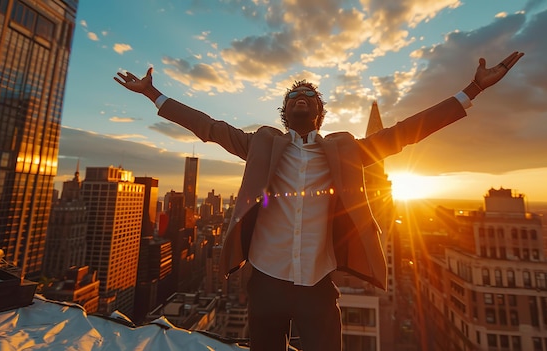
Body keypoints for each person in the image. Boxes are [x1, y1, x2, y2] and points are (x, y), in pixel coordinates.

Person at [115, 51, 524, 351]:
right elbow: (208, 126)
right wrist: (154, 94)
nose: (302, 97)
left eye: (309, 95)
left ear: (320, 111)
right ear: (285, 110)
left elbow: (409, 131)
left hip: (318, 284)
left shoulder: (344, 149)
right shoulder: (262, 143)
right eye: (294, 95)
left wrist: (472, 90)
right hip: (266, 281)